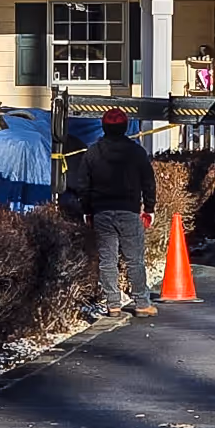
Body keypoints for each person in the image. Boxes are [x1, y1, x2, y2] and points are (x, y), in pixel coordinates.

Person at [69, 106, 159, 317]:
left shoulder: (92, 152)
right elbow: (149, 182)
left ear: (104, 127)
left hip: (102, 212)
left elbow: (83, 185)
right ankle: (141, 303)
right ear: (125, 127)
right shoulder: (136, 152)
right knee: (135, 260)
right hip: (129, 211)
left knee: (107, 261)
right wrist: (149, 208)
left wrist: (87, 210)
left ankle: (113, 304)